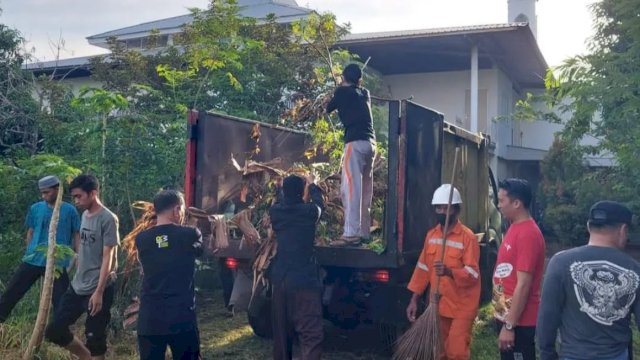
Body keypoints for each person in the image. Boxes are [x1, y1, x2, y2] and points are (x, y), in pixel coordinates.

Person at [538, 201, 640, 360]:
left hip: (573, 355)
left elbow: (547, 317)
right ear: (623, 230)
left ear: (588, 226)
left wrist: (547, 355)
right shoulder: (634, 270)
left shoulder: (560, 262)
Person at [45, 174, 119, 360]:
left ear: (93, 193)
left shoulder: (108, 218)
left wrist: (99, 292)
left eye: (79, 196)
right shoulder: (85, 214)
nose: (76, 201)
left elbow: (107, 257)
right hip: (78, 285)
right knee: (55, 330)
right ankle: (85, 357)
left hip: (98, 287)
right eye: (74, 197)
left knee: (95, 339)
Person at [406, 184, 481, 360]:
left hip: (462, 305)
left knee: (456, 352)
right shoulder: (431, 236)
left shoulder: (467, 237)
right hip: (439, 304)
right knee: (439, 353)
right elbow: (422, 269)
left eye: (445, 208)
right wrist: (414, 300)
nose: (441, 211)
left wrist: (449, 271)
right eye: (438, 208)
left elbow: (473, 274)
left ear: (456, 209)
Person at [0, 175, 80, 323]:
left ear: (57, 189)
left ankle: (59, 333)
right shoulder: (35, 208)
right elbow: (30, 231)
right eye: (42, 193)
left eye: (47, 192)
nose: (44, 196)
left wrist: (77, 256)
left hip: (58, 261)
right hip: (34, 258)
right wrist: (29, 250)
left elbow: (76, 235)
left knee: (61, 300)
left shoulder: (70, 210)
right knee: (12, 292)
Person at [135, 190, 203, 360]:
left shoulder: (141, 239)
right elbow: (200, 250)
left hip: (150, 318)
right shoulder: (190, 234)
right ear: (177, 210)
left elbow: (161, 244)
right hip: (181, 318)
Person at [269, 174, 324, 360]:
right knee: (310, 333)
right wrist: (314, 185)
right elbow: (319, 204)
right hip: (304, 279)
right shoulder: (310, 212)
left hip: (281, 278)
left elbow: (281, 201)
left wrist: (279, 188)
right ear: (303, 192)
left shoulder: (275, 212)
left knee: (282, 334)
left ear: (284, 191)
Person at [492, 178, 545, 360]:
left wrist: (510, 326)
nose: (498, 206)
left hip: (519, 321)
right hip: (505, 312)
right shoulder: (514, 226)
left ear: (516, 203)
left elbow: (524, 284)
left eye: (501, 201)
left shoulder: (528, 234)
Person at [326, 63, 376, 246]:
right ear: (359, 80)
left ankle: (350, 233)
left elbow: (327, 108)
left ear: (343, 78)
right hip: (370, 144)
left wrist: (336, 90)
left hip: (354, 143)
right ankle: (364, 232)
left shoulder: (341, 92)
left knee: (351, 189)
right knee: (365, 189)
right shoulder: (365, 93)